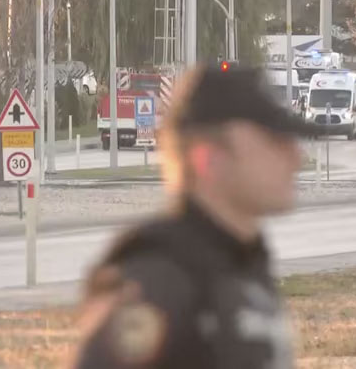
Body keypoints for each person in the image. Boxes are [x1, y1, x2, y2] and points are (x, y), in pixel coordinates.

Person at [70, 64, 319, 368]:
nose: (296, 158)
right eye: (274, 144)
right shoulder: (157, 283)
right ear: (209, 158)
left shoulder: (240, 263)